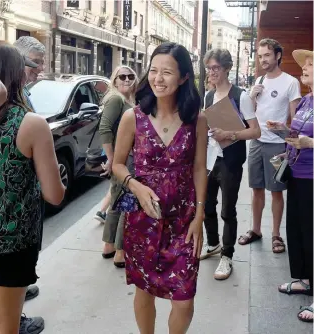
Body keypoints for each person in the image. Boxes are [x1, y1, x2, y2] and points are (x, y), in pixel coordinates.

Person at [113, 42, 208, 333]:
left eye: (167, 72)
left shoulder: (196, 119)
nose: (158, 78)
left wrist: (199, 217)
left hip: (183, 221)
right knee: (145, 290)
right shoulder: (133, 117)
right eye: (153, 70)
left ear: (183, 78)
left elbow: (199, 168)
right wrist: (136, 187)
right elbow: (117, 165)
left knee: (184, 300)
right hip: (143, 220)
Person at [0, 41, 65, 334]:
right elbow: (55, 194)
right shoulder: (30, 124)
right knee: (5, 321)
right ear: (16, 76)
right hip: (9, 243)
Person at [200, 48, 261, 280]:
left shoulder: (240, 96)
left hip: (231, 161)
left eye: (216, 68)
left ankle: (227, 255)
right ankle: (213, 243)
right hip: (210, 159)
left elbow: (255, 131)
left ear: (227, 68)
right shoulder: (208, 96)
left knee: (227, 210)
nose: (212, 72)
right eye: (209, 68)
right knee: (206, 206)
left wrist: (230, 134)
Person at [239, 39, 301, 253]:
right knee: (256, 189)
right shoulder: (259, 80)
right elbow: (251, 115)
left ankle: (276, 234)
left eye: (267, 55)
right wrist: (252, 97)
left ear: (277, 56)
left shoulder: (290, 82)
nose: (263, 60)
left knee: (276, 192)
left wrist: (285, 130)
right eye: (260, 56)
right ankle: (256, 230)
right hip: (256, 143)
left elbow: (296, 120)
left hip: (277, 145)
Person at [267, 49, 313, 323]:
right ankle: (304, 280)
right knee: (296, 229)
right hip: (297, 174)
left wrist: (309, 144)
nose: (304, 68)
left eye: (309, 64)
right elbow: (298, 134)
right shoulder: (307, 100)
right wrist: (285, 137)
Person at [14, 36, 47, 334]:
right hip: (10, 208)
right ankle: (16, 316)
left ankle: (17, 295)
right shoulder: (12, 102)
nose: (40, 69)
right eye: (35, 63)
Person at [99, 65, 138, 267]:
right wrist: (113, 158)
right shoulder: (116, 99)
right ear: (114, 80)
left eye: (130, 76)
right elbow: (104, 128)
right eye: (121, 76)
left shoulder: (127, 101)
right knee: (127, 205)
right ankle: (121, 252)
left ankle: (109, 246)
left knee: (116, 201)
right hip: (125, 160)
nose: (126, 79)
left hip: (123, 159)